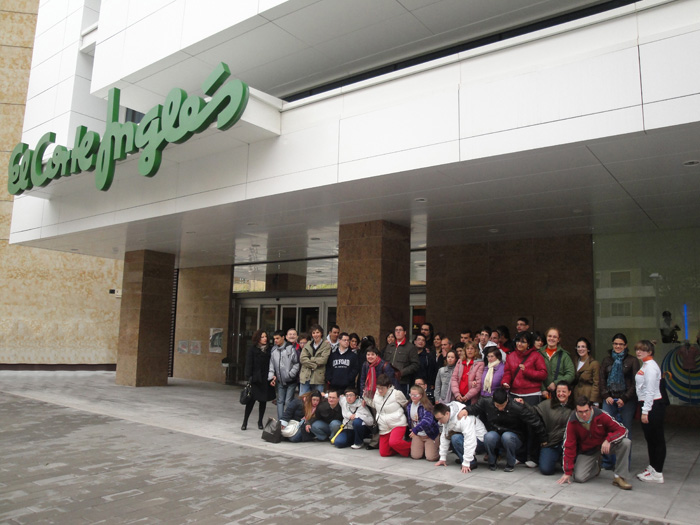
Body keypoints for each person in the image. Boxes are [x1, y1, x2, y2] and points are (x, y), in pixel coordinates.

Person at [458, 388, 547, 472]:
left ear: (507, 400)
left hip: (514, 435)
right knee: (488, 437)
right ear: (493, 400)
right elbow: (475, 408)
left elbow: (534, 420)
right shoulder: (486, 402)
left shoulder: (516, 406)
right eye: (497, 406)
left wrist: (543, 438)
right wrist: (466, 410)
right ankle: (492, 461)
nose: (500, 408)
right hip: (495, 432)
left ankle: (510, 463)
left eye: (503, 406)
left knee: (507, 437)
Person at [557, 395, 633, 490]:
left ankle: (619, 477)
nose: (584, 414)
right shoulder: (572, 421)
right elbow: (569, 446)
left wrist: (608, 439)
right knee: (579, 478)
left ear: (591, 408)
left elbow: (622, 430)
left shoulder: (601, 414)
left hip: (604, 445)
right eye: (580, 412)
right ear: (576, 410)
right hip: (588, 451)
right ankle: (596, 466)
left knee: (626, 442)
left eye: (586, 411)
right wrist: (567, 472)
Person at [501, 331, 547, 467]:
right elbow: (508, 372)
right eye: (518, 341)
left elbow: (543, 374)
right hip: (515, 393)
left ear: (529, 344)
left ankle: (533, 457)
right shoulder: (511, 356)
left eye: (523, 341)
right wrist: (505, 382)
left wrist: (526, 371)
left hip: (532, 395)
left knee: (532, 426)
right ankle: (520, 456)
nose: (519, 344)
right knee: (518, 426)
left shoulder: (536, 356)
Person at [599, 332, 639, 469]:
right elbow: (601, 380)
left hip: (626, 401)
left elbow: (635, 383)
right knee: (607, 429)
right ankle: (608, 462)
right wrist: (606, 395)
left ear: (625, 345)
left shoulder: (632, 360)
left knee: (625, 431)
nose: (618, 346)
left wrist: (625, 398)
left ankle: (623, 463)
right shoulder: (606, 360)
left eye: (621, 344)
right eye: (615, 344)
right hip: (609, 399)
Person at [634, 340, 666, 483]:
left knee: (657, 439)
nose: (639, 352)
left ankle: (658, 473)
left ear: (650, 352)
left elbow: (650, 391)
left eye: (643, 350)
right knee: (651, 439)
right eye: (638, 349)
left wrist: (646, 411)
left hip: (653, 405)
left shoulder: (651, 367)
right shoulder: (646, 365)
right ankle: (653, 467)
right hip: (648, 404)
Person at [363, 374, 411, 457]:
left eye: (382, 388)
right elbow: (376, 405)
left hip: (397, 423)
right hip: (384, 426)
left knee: (394, 442)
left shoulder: (397, 394)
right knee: (384, 453)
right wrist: (366, 399)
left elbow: (406, 405)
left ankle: (414, 448)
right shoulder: (376, 394)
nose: (380, 390)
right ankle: (398, 450)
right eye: (378, 388)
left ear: (389, 386)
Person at [533, 381, 575, 475]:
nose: (561, 394)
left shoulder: (575, 406)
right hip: (551, 442)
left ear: (569, 392)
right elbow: (533, 413)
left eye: (564, 391)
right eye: (558, 391)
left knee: (575, 470)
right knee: (546, 470)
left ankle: (565, 461)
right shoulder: (547, 404)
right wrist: (523, 404)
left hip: (569, 444)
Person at [434, 401, 487, 473]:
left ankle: (471, 462)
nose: (439, 422)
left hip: (480, 441)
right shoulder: (446, 418)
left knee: (455, 438)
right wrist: (442, 457)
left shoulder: (464, 417)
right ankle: (465, 458)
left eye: (440, 419)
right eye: (437, 419)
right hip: (466, 438)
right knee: (451, 437)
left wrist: (466, 462)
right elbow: (445, 437)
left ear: (447, 413)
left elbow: (470, 440)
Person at [242, 329, 275, 431]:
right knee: (250, 401)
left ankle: (260, 421)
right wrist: (249, 377)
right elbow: (249, 363)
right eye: (262, 337)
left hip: (265, 379)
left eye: (265, 337)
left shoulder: (270, 349)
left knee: (263, 401)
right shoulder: (252, 349)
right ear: (258, 338)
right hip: (256, 379)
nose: (265, 339)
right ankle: (245, 422)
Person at [268, 329, 300, 420]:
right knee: (280, 401)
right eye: (274, 339)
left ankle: (286, 420)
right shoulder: (274, 350)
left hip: (290, 380)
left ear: (283, 338)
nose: (275, 340)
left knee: (288, 401)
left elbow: (296, 364)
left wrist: (290, 375)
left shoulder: (290, 348)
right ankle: (280, 421)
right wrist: (271, 377)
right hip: (280, 381)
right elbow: (271, 365)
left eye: (277, 338)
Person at [383, 324, 420, 395]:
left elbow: (415, 365)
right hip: (388, 381)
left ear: (405, 332)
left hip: (402, 382)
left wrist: (401, 372)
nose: (398, 332)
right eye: (396, 330)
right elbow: (384, 362)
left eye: (400, 330)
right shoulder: (390, 346)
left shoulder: (410, 347)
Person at [406, 385, 440, 461]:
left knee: (431, 458)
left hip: (429, 434)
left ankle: (436, 446)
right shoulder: (409, 406)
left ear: (421, 396)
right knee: (415, 456)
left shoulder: (427, 406)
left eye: (415, 395)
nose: (413, 397)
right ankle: (424, 448)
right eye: (411, 395)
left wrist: (416, 429)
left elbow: (427, 421)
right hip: (417, 435)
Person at [539, 327, 575, 400]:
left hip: (559, 394)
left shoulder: (564, 355)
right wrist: (542, 389)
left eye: (555, 337)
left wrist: (556, 384)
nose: (551, 338)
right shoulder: (538, 354)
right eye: (549, 336)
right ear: (546, 337)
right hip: (542, 394)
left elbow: (570, 374)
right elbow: (535, 373)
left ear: (558, 339)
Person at [299, 324, 332, 394]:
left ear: (321, 333)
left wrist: (310, 359)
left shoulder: (326, 346)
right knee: (303, 400)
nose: (315, 335)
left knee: (318, 400)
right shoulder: (308, 344)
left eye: (317, 332)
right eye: (313, 333)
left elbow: (323, 360)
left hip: (318, 377)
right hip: (306, 376)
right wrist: (314, 365)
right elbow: (302, 359)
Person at [573, 337, 600, 405]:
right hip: (576, 396)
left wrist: (594, 401)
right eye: (578, 347)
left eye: (583, 347)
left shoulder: (594, 363)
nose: (580, 349)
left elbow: (596, 383)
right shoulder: (575, 361)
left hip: (588, 396)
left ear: (588, 349)